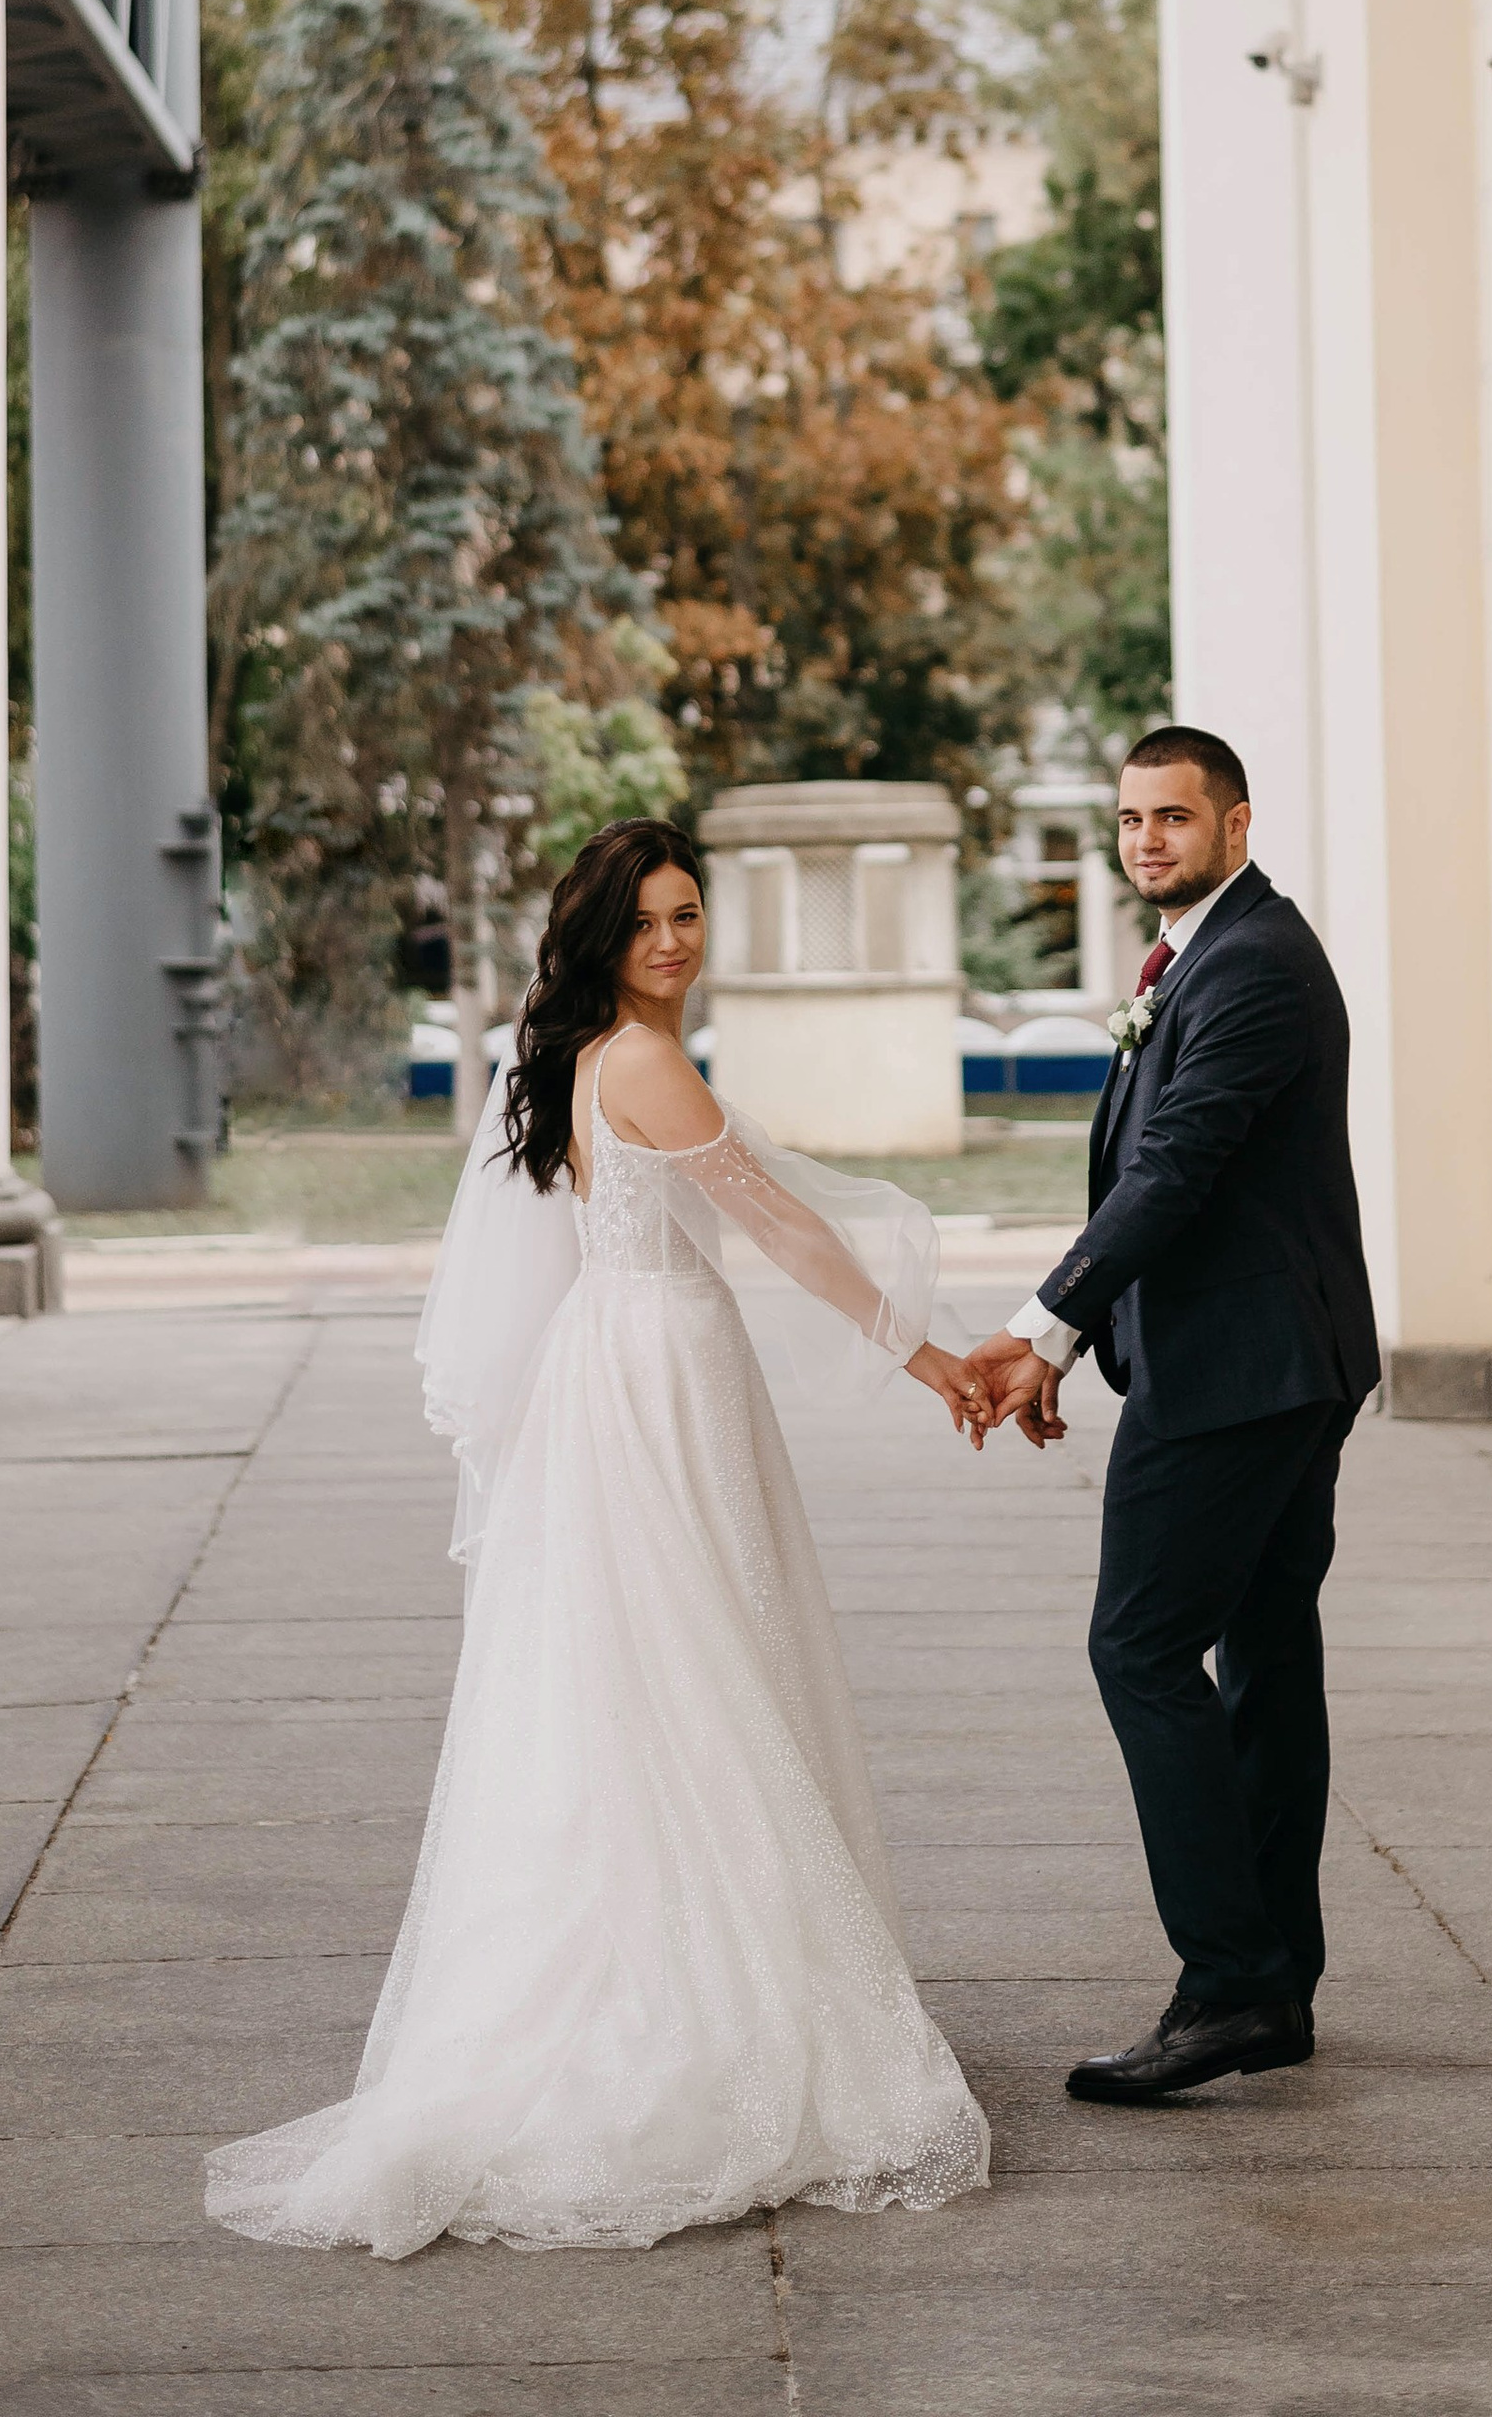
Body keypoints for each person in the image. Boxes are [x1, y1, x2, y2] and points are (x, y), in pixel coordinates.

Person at [206, 817, 994, 2258]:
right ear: (602, 940)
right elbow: (782, 1226)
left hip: (616, 1363)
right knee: (697, 1672)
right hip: (657, 1374)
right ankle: (703, 2009)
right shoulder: (638, 1057)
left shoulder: (577, 1055)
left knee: (642, 1677)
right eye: (647, 924)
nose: (675, 942)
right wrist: (924, 1352)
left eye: (690, 913)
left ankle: (666, 1968)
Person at [972, 725, 1379, 2105]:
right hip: (1265, 1361)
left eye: (1175, 818)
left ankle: (1228, 1983)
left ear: (1238, 823)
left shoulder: (1252, 965)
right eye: (1134, 818)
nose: (1149, 839)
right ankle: (1276, 1979)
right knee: (1264, 1653)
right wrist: (1084, 1332)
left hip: (1241, 1376)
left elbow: (1176, 1172)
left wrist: (1043, 1326)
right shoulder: (1206, 954)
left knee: (1141, 1648)